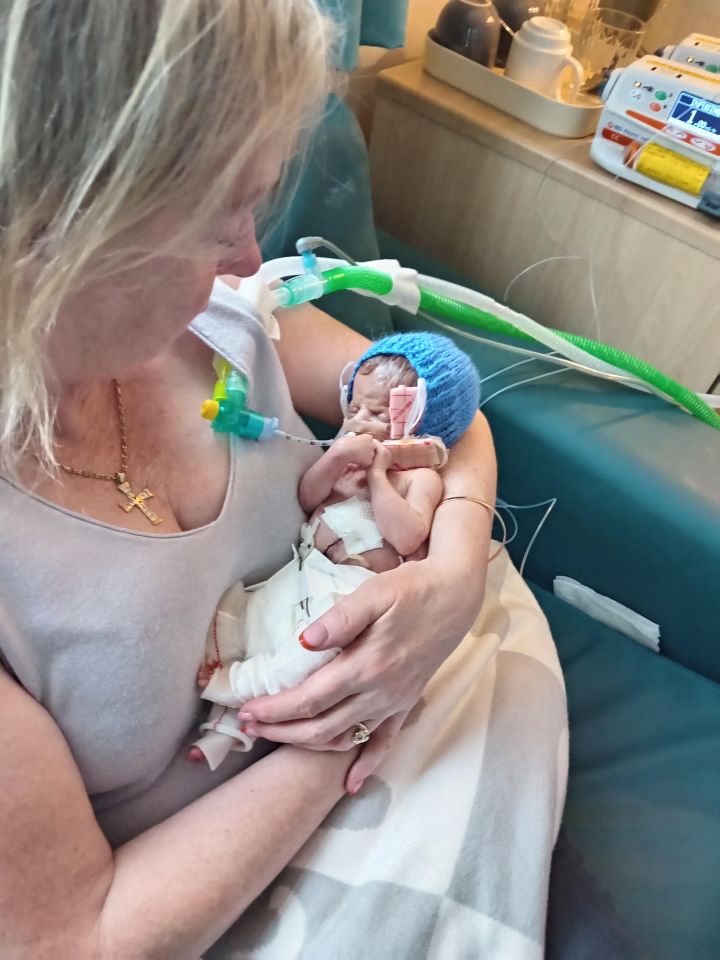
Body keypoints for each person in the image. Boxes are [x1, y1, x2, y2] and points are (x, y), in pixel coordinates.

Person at [0, 3, 567, 958]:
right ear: (57, 231)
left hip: (463, 706)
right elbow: (78, 938)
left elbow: (444, 414)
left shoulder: (225, 323)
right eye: (215, 218)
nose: (251, 257)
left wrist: (456, 570)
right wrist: (354, 722)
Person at [189, 333, 481, 769]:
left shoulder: (418, 479)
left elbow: (405, 536)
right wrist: (334, 457)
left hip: (352, 588)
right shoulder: (344, 461)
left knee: (310, 653)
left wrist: (380, 475)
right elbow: (310, 498)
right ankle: (224, 728)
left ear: (418, 421)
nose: (360, 420)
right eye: (355, 408)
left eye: (378, 413)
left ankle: (240, 685)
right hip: (309, 567)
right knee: (254, 614)